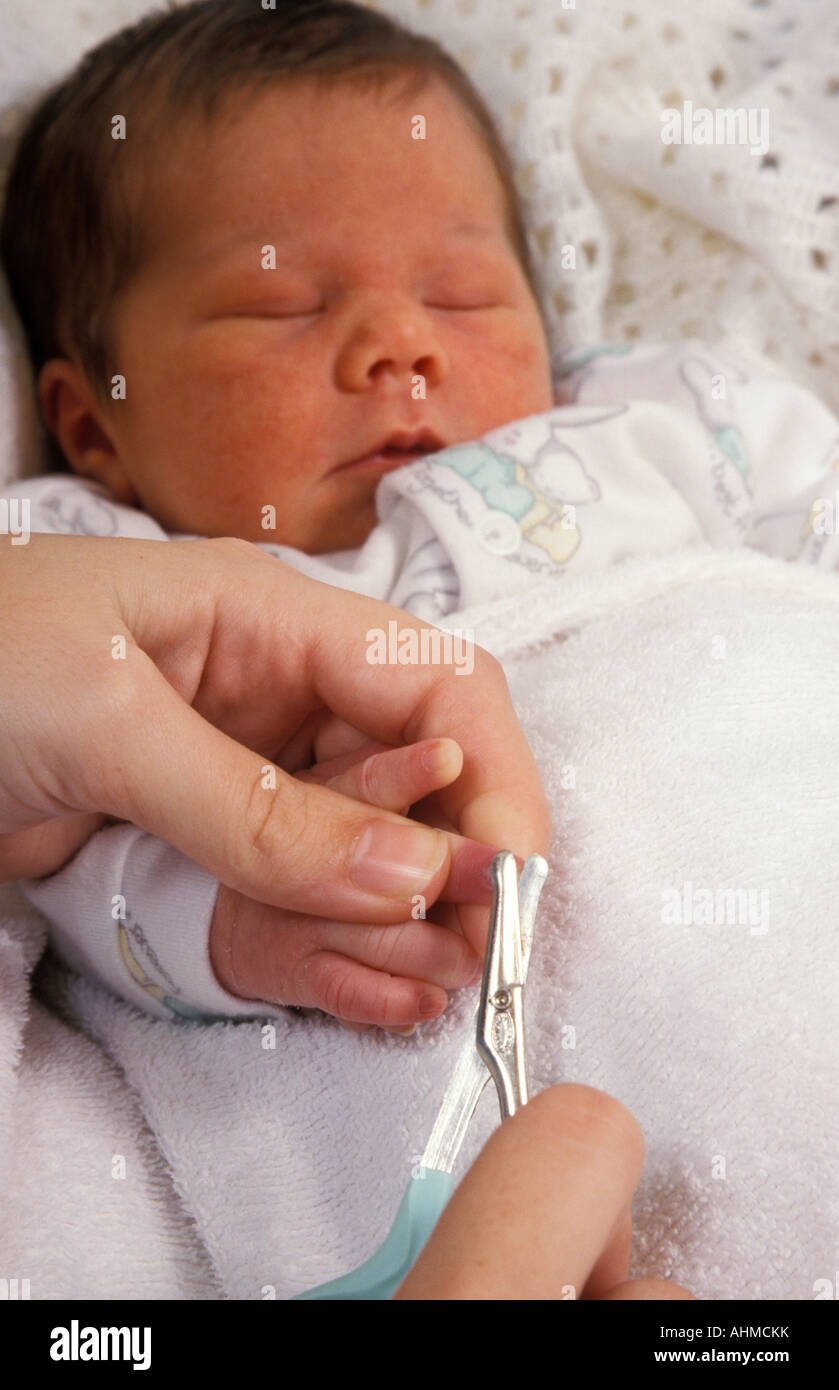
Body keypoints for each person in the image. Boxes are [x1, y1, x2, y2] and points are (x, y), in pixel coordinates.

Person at [0, 532, 691, 1300]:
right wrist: (218, 917)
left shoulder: (667, 453)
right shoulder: (90, 543)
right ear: (91, 435)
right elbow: (72, 880)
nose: (388, 400)